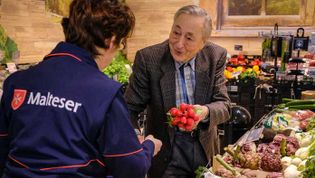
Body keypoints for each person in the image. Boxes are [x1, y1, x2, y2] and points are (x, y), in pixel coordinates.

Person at [0, 0, 162, 177]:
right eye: (121, 43)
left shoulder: (16, 82)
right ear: (111, 40)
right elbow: (131, 167)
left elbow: (3, 148)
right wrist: (149, 146)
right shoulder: (105, 93)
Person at [124, 5, 231, 178]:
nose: (179, 43)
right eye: (176, 33)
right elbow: (129, 108)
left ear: (203, 42)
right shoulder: (148, 58)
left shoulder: (215, 56)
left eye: (189, 38)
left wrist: (204, 112)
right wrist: (137, 137)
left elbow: (225, 106)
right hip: (165, 154)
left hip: (203, 150)